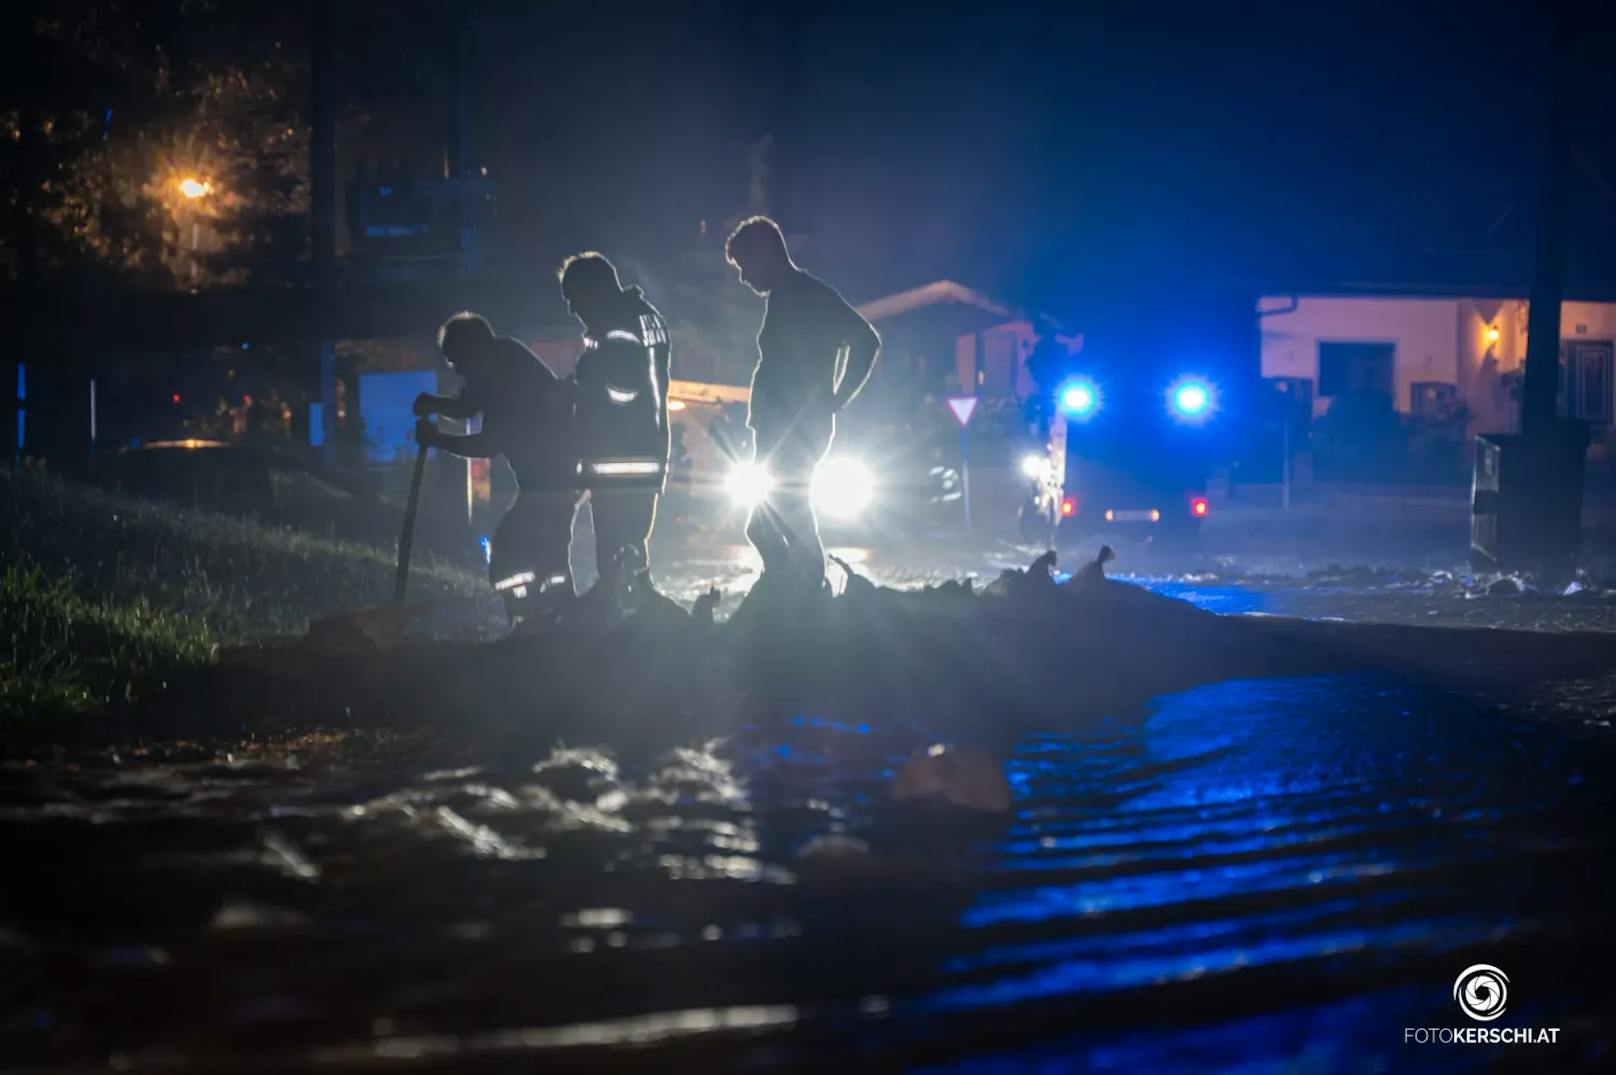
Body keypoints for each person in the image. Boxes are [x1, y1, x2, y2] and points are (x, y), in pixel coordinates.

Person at [725, 215, 879, 589]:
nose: (744, 278)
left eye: (745, 267)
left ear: (764, 256)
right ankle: (795, 588)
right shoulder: (784, 296)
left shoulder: (806, 294)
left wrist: (837, 399)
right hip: (779, 427)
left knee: (775, 519)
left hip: (798, 427)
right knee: (778, 518)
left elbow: (865, 340)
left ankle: (805, 589)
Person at [413, 312, 578, 626]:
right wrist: (435, 404)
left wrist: (436, 438)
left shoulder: (506, 377)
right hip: (552, 479)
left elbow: (486, 445)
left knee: (510, 555)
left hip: (551, 482)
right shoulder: (501, 361)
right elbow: (468, 405)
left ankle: (536, 621)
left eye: (456, 360)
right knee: (547, 554)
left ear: (474, 350)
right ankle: (554, 621)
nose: (457, 369)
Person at [558, 252, 671, 593]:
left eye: (574, 299)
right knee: (630, 552)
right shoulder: (634, 319)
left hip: (620, 462)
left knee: (616, 553)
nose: (572, 310)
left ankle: (624, 629)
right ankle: (637, 623)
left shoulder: (619, 328)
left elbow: (623, 393)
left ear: (595, 291)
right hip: (639, 457)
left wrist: (583, 386)